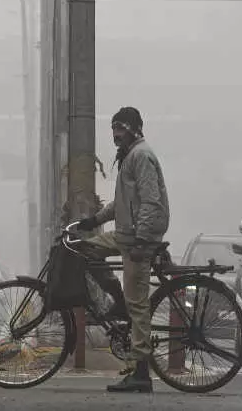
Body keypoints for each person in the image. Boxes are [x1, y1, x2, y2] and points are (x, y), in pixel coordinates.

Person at [74, 106, 169, 395]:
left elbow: (151, 202)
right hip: (126, 234)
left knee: (138, 304)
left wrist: (142, 241)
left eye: (122, 129)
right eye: (114, 128)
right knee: (84, 249)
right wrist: (93, 221)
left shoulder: (141, 156)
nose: (116, 134)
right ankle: (117, 299)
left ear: (135, 129)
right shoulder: (129, 156)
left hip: (138, 239)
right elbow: (120, 205)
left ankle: (141, 373)